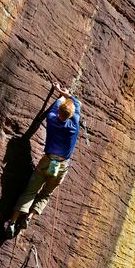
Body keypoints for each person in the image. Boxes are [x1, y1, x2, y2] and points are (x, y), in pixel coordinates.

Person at [7, 82, 81, 237]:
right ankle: (29, 217)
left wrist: (59, 94)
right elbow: (77, 102)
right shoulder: (74, 125)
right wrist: (66, 94)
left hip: (47, 161)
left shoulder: (52, 118)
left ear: (60, 111)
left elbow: (57, 106)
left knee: (30, 190)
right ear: (70, 115)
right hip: (61, 166)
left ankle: (13, 221)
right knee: (46, 193)